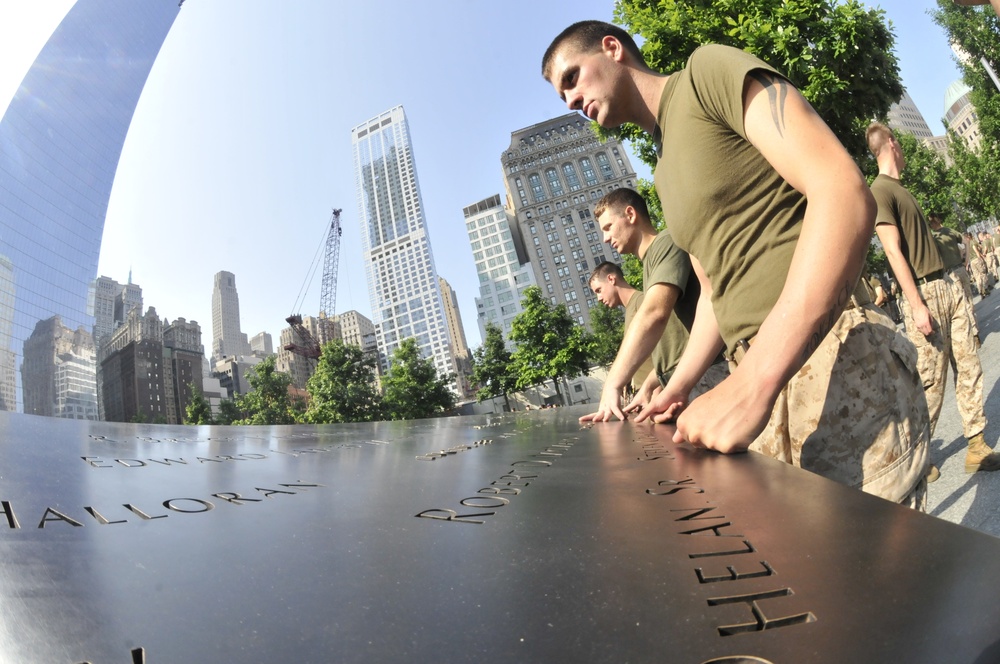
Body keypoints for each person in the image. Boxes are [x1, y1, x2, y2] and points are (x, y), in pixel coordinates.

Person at [542, 21, 928, 506]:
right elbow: (714, 297)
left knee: (886, 573)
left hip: (833, 357)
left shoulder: (706, 73)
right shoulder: (661, 173)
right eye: (562, 97)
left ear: (613, 48)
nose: (572, 101)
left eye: (572, 79)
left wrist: (754, 381)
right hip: (755, 382)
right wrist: (677, 387)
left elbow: (844, 192)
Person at [868, 122, 1000, 475]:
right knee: (930, 382)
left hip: (946, 287)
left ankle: (976, 444)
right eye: (900, 143)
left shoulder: (900, 189)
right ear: (892, 144)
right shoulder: (880, 191)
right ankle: (917, 456)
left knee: (969, 365)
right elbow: (893, 252)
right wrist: (916, 305)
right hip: (924, 294)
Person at [578, 189, 704, 423]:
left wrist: (612, 384)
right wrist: (648, 387)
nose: (605, 238)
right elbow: (675, 346)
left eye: (608, 227)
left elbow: (654, 313)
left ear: (630, 214)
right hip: (681, 384)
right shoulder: (650, 263)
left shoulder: (667, 242)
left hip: (702, 379)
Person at [587, 261, 657, 396]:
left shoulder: (643, 302)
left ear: (611, 279)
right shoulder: (632, 308)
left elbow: (670, 354)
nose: (599, 298)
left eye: (599, 290)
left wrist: (656, 391)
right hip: (646, 394)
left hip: (656, 394)